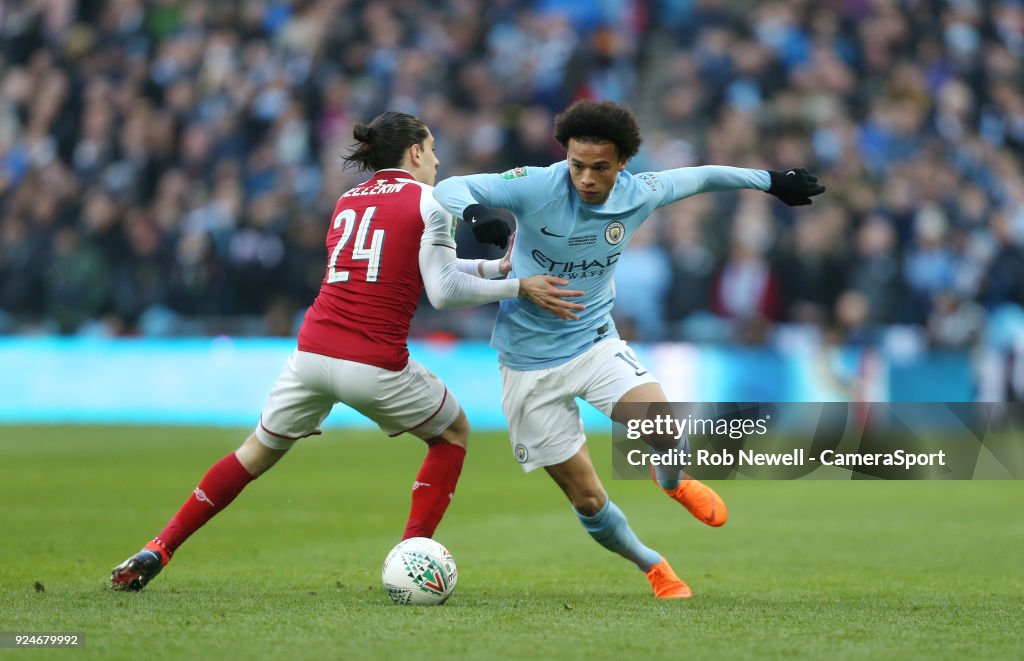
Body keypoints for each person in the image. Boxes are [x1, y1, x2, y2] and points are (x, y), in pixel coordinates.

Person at [110, 111, 584, 591]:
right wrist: (519, 286)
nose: (439, 161)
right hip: (374, 362)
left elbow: (408, 264)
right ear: (415, 152)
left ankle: (161, 545)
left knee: (252, 454)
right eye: (433, 148)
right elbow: (441, 292)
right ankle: (411, 559)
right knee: (453, 433)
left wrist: (491, 269)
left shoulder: (347, 200)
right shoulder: (430, 201)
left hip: (311, 354)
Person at [433, 99, 824, 598]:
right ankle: (654, 566)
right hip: (526, 363)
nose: (587, 178)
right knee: (589, 498)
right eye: (577, 165)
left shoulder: (641, 193)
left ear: (622, 164)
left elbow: (702, 176)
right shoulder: (537, 184)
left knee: (663, 426)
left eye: (600, 168)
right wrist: (475, 213)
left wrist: (771, 181)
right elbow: (449, 186)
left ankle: (672, 481)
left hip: (593, 341)